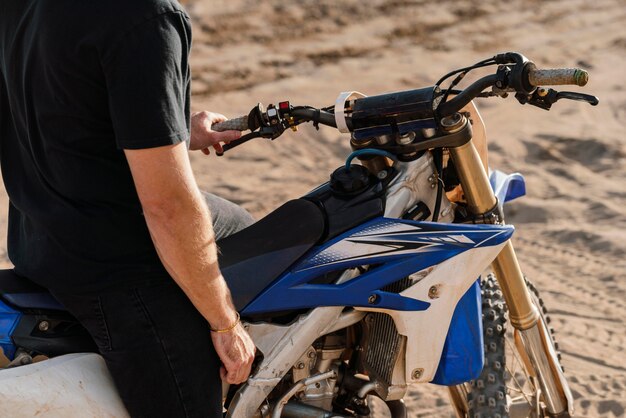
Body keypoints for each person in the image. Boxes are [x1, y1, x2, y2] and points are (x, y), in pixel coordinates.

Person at [0, 0, 256, 416]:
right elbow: (168, 208)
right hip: (119, 270)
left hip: (40, 236)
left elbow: (57, 100)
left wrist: (167, 127)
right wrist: (226, 325)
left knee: (251, 232)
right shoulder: (145, 17)